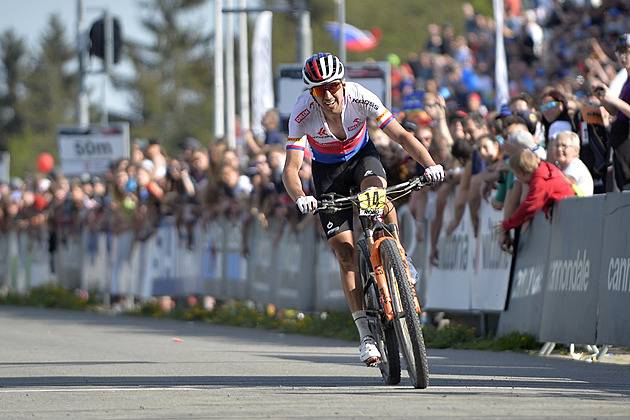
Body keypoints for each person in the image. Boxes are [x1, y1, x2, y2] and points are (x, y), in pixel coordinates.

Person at [281, 53, 444, 365]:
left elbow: (401, 136)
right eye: (319, 90)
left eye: (333, 87)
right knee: (345, 253)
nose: (328, 95)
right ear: (310, 92)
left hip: (362, 159)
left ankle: (397, 254)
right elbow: (291, 167)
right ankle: (366, 335)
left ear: (343, 83)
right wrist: (300, 195)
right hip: (327, 174)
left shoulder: (361, 97)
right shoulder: (302, 112)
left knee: (376, 196)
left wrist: (431, 165)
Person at [495, 149, 575, 255]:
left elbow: (529, 207)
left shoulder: (540, 182)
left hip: (570, 215)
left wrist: (507, 224)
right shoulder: (544, 167)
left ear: (522, 174)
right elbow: (546, 195)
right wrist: (547, 207)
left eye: (516, 175)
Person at [591, 33, 630, 191]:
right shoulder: (626, 81)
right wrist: (603, 98)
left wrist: (614, 100)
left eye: (627, 51)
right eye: (619, 52)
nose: (623, 56)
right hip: (620, 139)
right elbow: (616, 111)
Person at [550, 131, 594, 196]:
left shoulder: (575, 165)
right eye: (557, 145)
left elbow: (564, 184)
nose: (559, 149)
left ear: (576, 151)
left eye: (564, 146)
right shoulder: (559, 167)